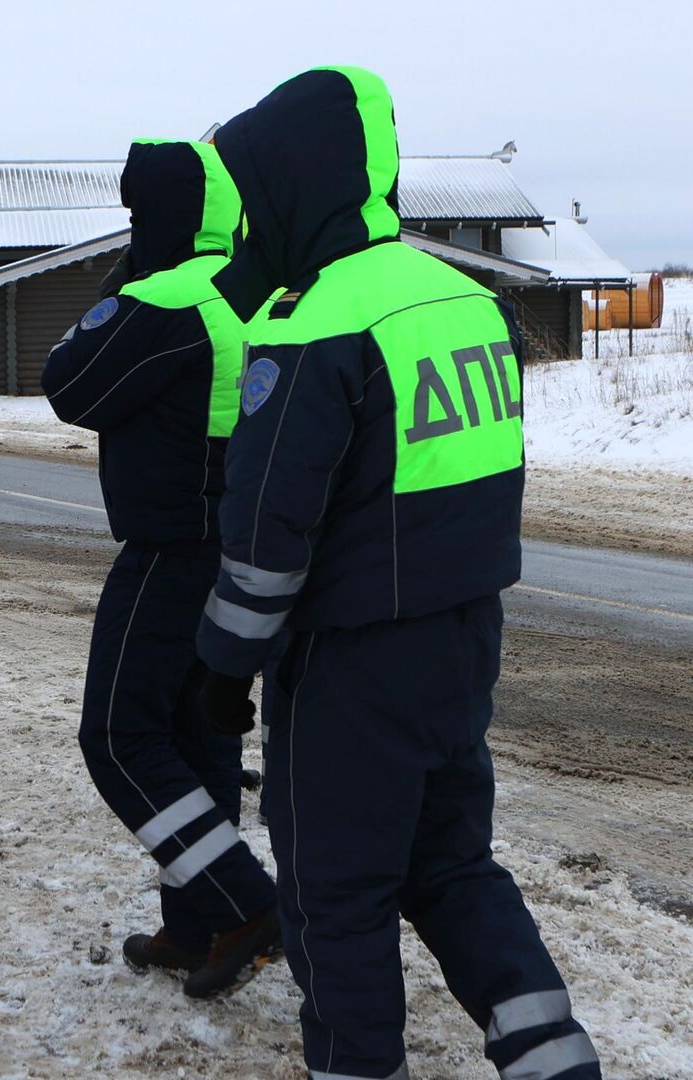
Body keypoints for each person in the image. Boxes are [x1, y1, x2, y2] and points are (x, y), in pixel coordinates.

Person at [197, 66, 600, 1079]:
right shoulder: (464, 302)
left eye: (252, 195)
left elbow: (267, 533)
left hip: (352, 671)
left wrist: (217, 672)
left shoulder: (314, 321)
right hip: (463, 647)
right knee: (453, 864)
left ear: (291, 184)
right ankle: (555, 1061)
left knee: (336, 900)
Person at [42, 137, 281, 1000]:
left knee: (116, 735)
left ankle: (247, 903)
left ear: (158, 216)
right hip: (241, 551)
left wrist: (124, 281)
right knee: (200, 739)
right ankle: (198, 926)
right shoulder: (250, 290)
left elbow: (69, 382)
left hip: (169, 553)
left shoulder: (167, 298)